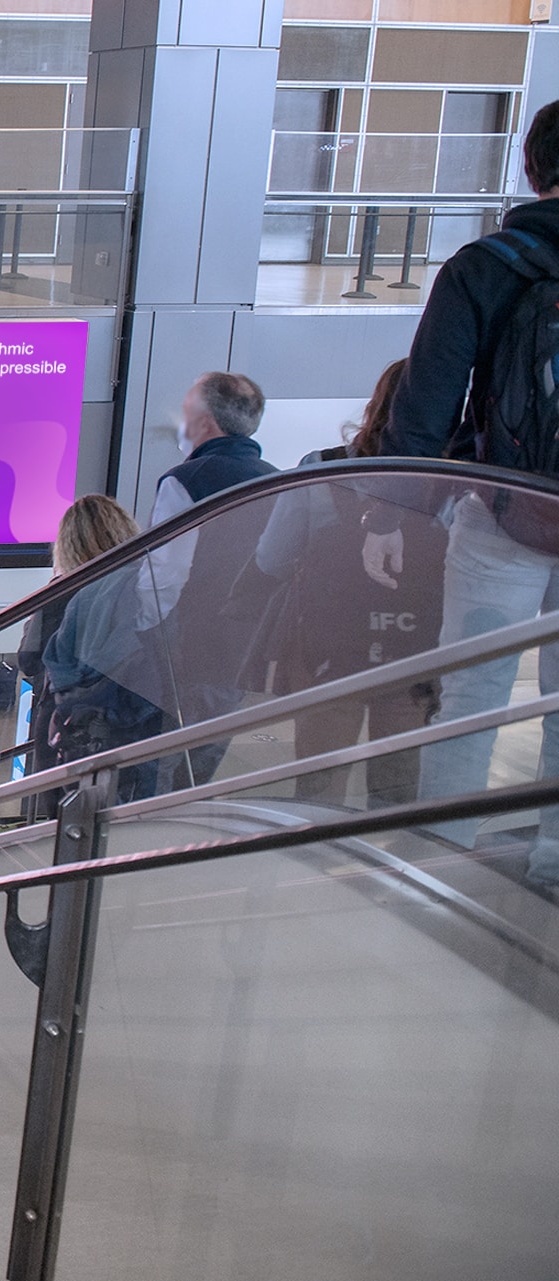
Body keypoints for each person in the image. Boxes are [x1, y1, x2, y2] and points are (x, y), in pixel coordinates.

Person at [369, 99, 559, 887]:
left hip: (504, 519)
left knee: (472, 697)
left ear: (529, 164)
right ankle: (553, 860)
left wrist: (393, 515)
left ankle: (442, 867)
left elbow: (424, 411)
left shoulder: (485, 266)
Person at [251, 362, 444, 807]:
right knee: (397, 784)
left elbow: (271, 558)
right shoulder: (452, 481)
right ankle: (393, 867)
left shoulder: (319, 469)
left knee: (319, 787)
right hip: (413, 653)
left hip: (328, 653)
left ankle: (316, 862)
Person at [139, 371, 278, 788]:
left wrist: (142, 632)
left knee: (162, 751)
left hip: (188, 642)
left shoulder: (187, 481)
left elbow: (164, 572)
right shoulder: (278, 480)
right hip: (243, 644)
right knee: (208, 744)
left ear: (204, 423)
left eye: (186, 408)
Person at [18, 496, 141, 807]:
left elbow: (29, 659)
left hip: (67, 727)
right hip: (124, 727)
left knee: (64, 816)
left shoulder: (63, 593)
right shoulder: (140, 585)